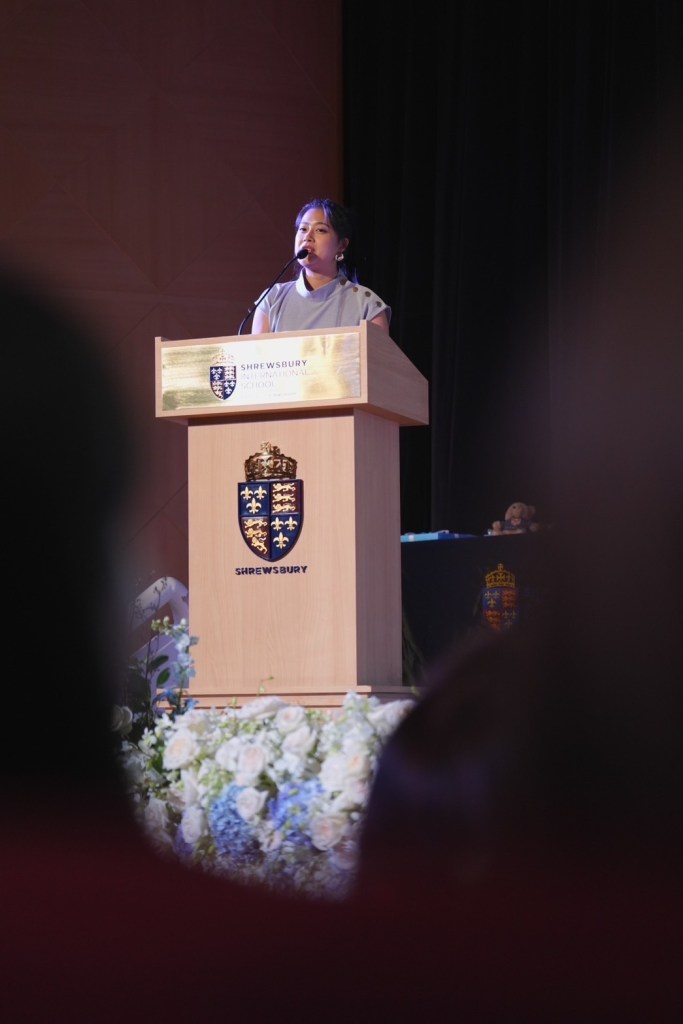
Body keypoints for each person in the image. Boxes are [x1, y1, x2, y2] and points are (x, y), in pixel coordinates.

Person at [250, 197, 391, 334]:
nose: (307, 237)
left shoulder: (367, 305)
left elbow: (378, 351)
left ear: (342, 245)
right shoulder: (272, 299)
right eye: (303, 229)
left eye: (320, 230)